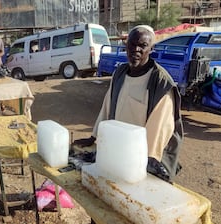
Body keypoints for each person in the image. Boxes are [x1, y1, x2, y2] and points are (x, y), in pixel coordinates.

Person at [73, 25, 183, 183]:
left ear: (151, 49)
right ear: (126, 46)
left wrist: (142, 162)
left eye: (143, 46)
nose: (136, 50)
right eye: (132, 44)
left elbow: (159, 130)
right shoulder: (120, 73)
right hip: (117, 149)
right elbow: (108, 106)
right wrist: (94, 136)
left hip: (140, 159)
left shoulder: (160, 82)